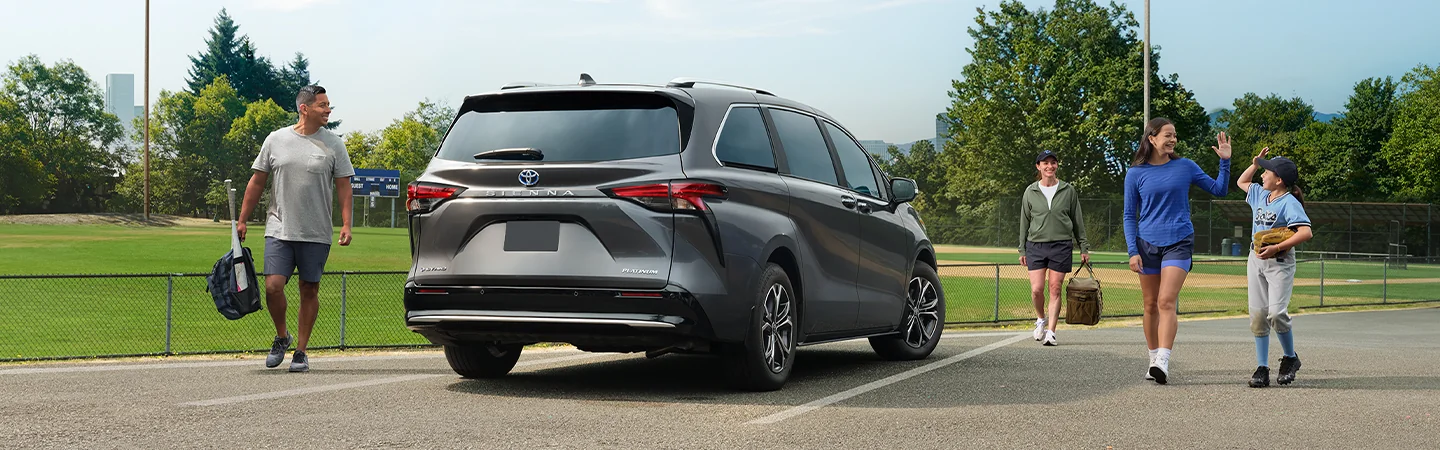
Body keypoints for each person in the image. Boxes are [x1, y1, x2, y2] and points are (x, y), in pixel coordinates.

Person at [237, 85, 355, 373]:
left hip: (316, 232)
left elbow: (344, 186)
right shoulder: (276, 140)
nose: (328, 110)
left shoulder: (334, 145)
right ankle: (282, 336)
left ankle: (300, 351)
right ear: (305, 108)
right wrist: (242, 219)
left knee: (309, 289)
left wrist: (347, 224)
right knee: (273, 287)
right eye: (322, 105)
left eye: (329, 105)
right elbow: (257, 182)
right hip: (279, 228)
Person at [1123, 117, 1231, 384]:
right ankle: (1152, 357)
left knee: (1165, 301)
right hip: (1146, 244)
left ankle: (1163, 360)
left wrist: (1225, 162)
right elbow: (1128, 215)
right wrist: (1132, 251)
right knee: (1150, 305)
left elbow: (1219, 190)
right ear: (1151, 138)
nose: (1172, 140)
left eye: (1174, 136)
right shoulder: (1135, 173)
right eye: (1167, 135)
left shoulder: (1186, 166)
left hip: (1178, 242)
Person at [1236, 147, 1312, 387]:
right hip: (1256, 258)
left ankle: (1290, 358)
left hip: (1279, 262)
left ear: (1278, 180)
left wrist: (1278, 248)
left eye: (1267, 172)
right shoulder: (1259, 194)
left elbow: (1306, 232)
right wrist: (1257, 163)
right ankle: (1262, 368)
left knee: (1277, 313)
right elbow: (1242, 180)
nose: (1262, 176)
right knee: (1258, 314)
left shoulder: (1288, 202)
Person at [1018, 150, 1090, 346]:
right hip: (1035, 245)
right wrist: (1022, 249)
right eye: (1045, 163)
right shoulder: (1030, 191)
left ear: (1057, 165)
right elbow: (1024, 222)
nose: (1050, 166)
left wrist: (1084, 247)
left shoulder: (1068, 190)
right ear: (1038, 167)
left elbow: (1078, 221)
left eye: (1053, 162)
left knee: (1055, 288)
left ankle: (1051, 331)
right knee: (1036, 289)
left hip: (1061, 245)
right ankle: (1040, 319)